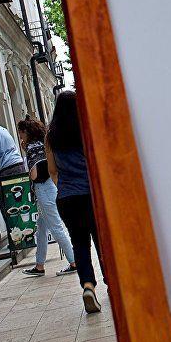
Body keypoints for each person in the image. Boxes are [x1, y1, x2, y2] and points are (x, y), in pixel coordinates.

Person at [47, 91, 102, 313]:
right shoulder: (85, 128)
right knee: (101, 241)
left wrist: (65, 185)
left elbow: (52, 170)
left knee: (79, 243)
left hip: (67, 198)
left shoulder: (51, 135)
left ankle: (88, 286)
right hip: (91, 194)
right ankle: (111, 282)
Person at [17, 118, 77, 277]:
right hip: (51, 184)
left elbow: (34, 173)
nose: (20, 136)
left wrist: (28, 164)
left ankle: (74, 261)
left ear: (26, 132)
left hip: (42, 189)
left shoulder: (31, 148)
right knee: (41, 229)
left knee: (56, 227)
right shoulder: (43, 144)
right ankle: (39, 265)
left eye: (21, 133)